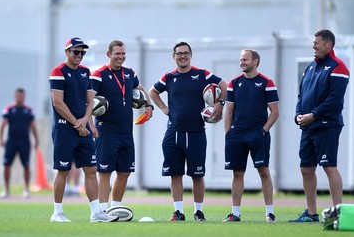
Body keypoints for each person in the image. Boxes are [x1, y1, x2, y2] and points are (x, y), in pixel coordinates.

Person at [148, 41, 227, 222]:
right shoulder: (169, 77)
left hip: (196, 132)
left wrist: (219, 103)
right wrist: (164, 109)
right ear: (173, 56)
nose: (182, 56)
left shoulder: (202, 74)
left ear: (191, 55)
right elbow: (153, 92)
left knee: (197, 174)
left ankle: (198, 212)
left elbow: (225, 86)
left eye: (185, 53)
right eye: (179, 53)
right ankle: (178, 212)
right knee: (175, 174)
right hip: (173, 133)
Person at [49, 37, 118, 223]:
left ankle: (95, 213)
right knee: (63, 170)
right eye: (76, 52)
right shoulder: (58, 71)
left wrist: (85, 121)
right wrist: (77, 123)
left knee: (91, 168)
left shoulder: (86, 72)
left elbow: (91, 101)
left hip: (83, 129)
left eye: (82, 52)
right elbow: (58, 102)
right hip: (64, 129)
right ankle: (57, 212)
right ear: (67, 52)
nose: (79, 55)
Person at [289, 29, 350, 222]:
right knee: (306, 168)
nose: (313, 46)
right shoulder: (310, 67)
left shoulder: (338, 67)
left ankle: (338, 213)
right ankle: (311, 213)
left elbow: (335, 100)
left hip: (326, 124)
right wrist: (298, 114)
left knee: (329, 166)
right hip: (308, 125)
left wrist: (313, 115)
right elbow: (302, 94)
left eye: (317, 43)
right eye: (313, 43)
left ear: (328, 45)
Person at [91, 40, 153, 213]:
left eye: (123, 54)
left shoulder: (129, 73)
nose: (121, 57)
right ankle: (102, 210)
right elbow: (88, 101)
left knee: (125, 171)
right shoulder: (99, 74)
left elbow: (139, 88)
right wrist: (91, 126)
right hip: (106, 131)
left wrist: (149, 105)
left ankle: (115, 207)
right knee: (105, 172)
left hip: (126, 132)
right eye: (117, 54)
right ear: (109, 54)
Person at [222, 49, 279, 223]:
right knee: (237, 173)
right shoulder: (233, 83)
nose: (242, 62)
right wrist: (228, 134)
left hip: (257, 133)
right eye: (240, 60)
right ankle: (235, 213)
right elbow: (229, 111)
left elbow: (275, 112)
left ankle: (269, 213)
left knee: (263, 171)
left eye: (245, 59)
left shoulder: (266, 82)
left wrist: (263, 130)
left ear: (255, 62)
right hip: (237, 134)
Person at [0, 88, 39, 199]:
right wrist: (1, 138)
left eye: (22, 96)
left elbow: (33, 125)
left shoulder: (29, 110)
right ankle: (6, 189)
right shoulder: (9, 109)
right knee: (6, 164)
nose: (20, 98)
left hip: (25, 141)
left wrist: (36, 140)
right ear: (15, 96)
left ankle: (26, 189)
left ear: (24, 96)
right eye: (18, 95)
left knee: (26, 165)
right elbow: (3, 124)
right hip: (12, 141)